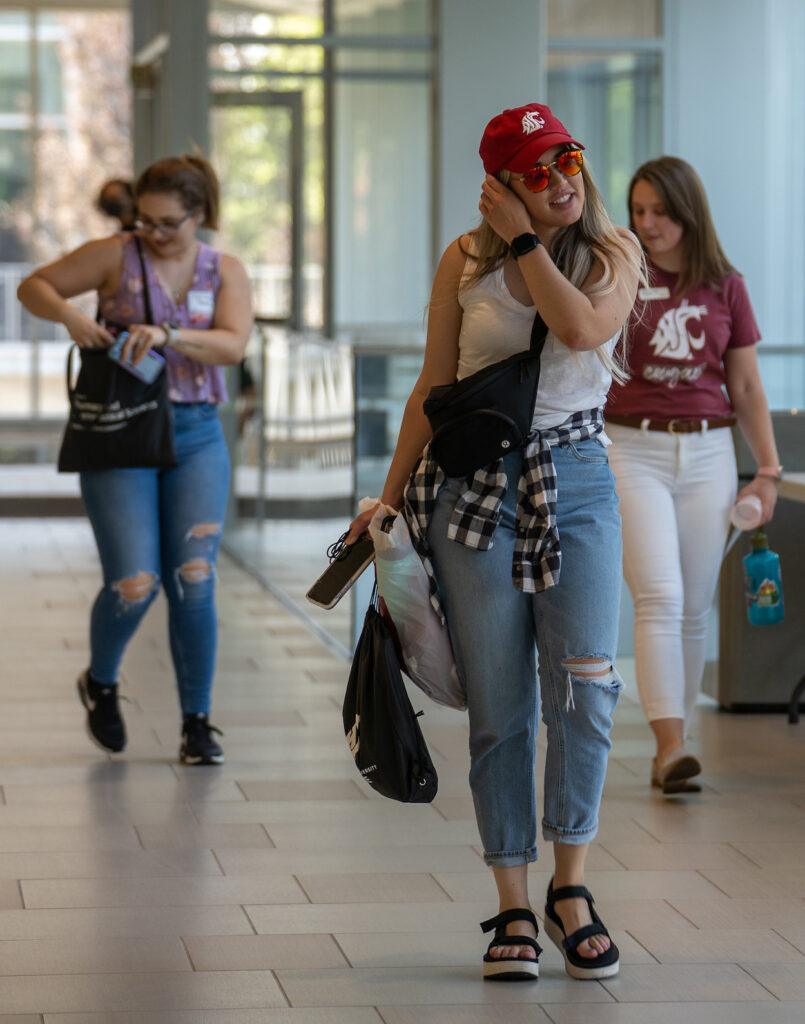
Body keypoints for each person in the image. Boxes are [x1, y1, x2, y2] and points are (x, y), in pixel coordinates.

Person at [347, 103, 643, 982]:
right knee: (499, 703)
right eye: (535, 171)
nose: (559, 182)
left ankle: (571, 887)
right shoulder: (463, 259)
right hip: (471, 491)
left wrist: (527, 243)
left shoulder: (611, 251)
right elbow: (431, 391)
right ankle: (513, 898)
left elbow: (585, 331)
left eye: (568, 163)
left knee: (586, 686)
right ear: (500, 184)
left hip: (577, 480)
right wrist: (386, 504)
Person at [18, 155, 253, 765]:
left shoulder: (223, 269)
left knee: (194, 579)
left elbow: (232, 345)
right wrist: (72, 316)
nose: (153, 232)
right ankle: (100, 679)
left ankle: (197, 724)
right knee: (135, 581)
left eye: (168, 222)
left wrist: (170, 337)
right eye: (144, 219)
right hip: (120, 432)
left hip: (196, 433)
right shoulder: (114, 254)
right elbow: (33, 286)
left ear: (199, 214)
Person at [606, 156, 780, 794]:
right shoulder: (622, 273)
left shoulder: (726, 285)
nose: (647, 224)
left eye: (659, 212)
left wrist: (766, 470)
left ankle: (670, 751)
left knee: (695, 605)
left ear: (688, 213)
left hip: (708, 452)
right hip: (631, 448)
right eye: (638, 211)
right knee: (661, 594)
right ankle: (671, 744)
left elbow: (747, 384)